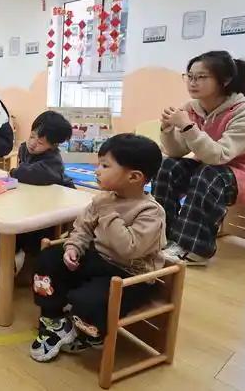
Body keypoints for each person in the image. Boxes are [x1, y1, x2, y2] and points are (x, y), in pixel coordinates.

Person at [29, 134, 165, 363]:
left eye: (105, 165)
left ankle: (89, 333)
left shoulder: (151, 212)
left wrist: (107, 211)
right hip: (99, 260)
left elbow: (128, 248)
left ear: (134, 177)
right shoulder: (103, 199)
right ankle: (55, 321)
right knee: (48, 259)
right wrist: (74, 247)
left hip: (130, 276)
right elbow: (82, 227)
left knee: (88, 300)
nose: (97, 170)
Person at [153, 51, 245, 265]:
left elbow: (219, 156)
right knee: (168, 166)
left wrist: (187, 127)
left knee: (209, 174)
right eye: (189, 76)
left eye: (201, 77)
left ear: (225, 80)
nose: (193, 82)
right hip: (215, 167)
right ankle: (160, 235)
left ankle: (194, 248)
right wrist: (167, 130)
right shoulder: (192, 108)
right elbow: (176, 152)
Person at [0, 111, 75, 281]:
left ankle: (30, 266)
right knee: (3, 220)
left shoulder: (53, 161)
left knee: (35, 231)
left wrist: (15, 172)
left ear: (53, 146)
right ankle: (0, 258)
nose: (33, 143)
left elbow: (30, 174)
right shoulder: (24, 148)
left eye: (40, 142)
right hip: (29, 199)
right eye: (32, 136)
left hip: (52, 207)